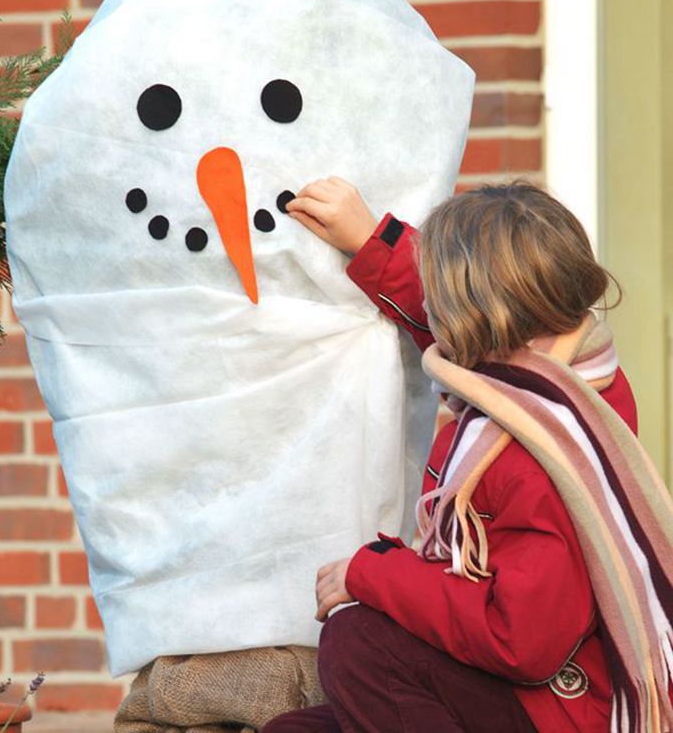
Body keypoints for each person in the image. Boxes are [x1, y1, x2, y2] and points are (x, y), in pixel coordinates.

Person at [260, 179, 673, 733]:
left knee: (361, 645)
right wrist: (370, 243)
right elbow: (456, 332)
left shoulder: (539, 453)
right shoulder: (561, 374)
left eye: (440, 299)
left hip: (555, 707)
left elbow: (525, 640)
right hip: (524, 695)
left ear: (475, 318)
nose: (431, 311)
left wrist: (374, 573)